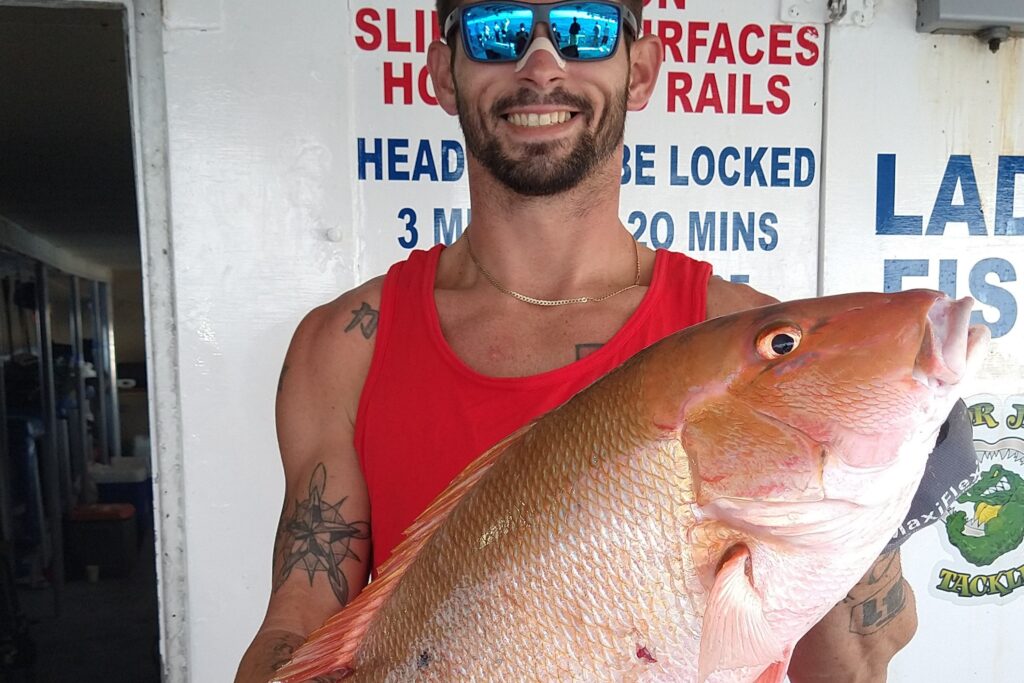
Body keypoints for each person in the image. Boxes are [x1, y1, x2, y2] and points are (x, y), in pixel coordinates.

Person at [235, 1, 926, 680]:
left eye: (584, 29)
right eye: (497, 30)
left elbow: (853, 667)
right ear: (445, 72)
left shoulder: (756, 346)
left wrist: (853, 469)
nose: (541, 63)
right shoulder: (344, 344)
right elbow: (296, 622)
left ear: (642, 68)